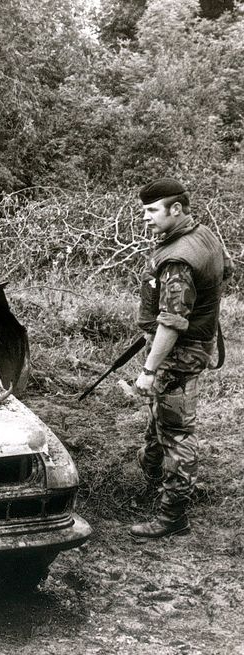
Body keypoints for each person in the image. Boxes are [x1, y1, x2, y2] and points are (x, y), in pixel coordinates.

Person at [129, 177, 232, 540]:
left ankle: (173, 516)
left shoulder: (178, 258)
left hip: (179, 353)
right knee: (162, 418)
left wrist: (148, 368)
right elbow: (226, 273)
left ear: (176, 209)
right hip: (190, 347)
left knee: (176, 432)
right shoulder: (202, 235)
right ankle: (151, 477)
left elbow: (172, 323)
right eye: (144, 210)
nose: (145, 217)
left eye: (152, 210)